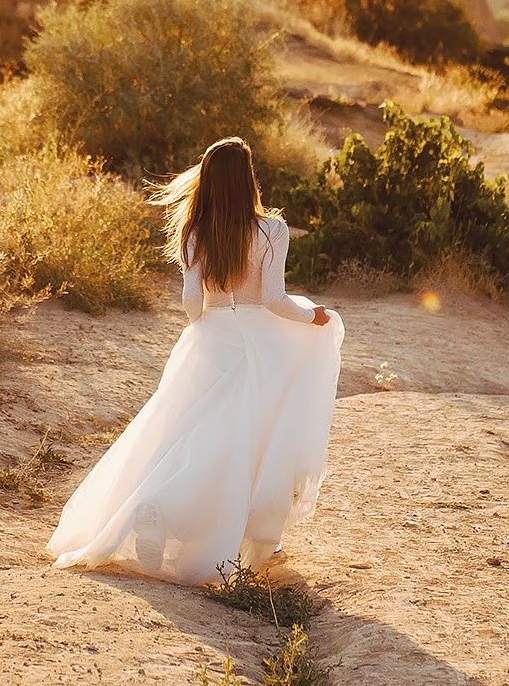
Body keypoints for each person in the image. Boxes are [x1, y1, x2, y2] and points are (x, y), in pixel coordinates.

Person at [46, 137, 343, 584]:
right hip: (258, 344)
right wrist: (312, 317)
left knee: (180, 435)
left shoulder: (194, 231)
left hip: (208, 340)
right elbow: (274, 299)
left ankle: (154, 508)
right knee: (242, 445)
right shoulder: (271, 230)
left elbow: (191, 302)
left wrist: (207, 325)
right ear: (248, 179)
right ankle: (210, 522)